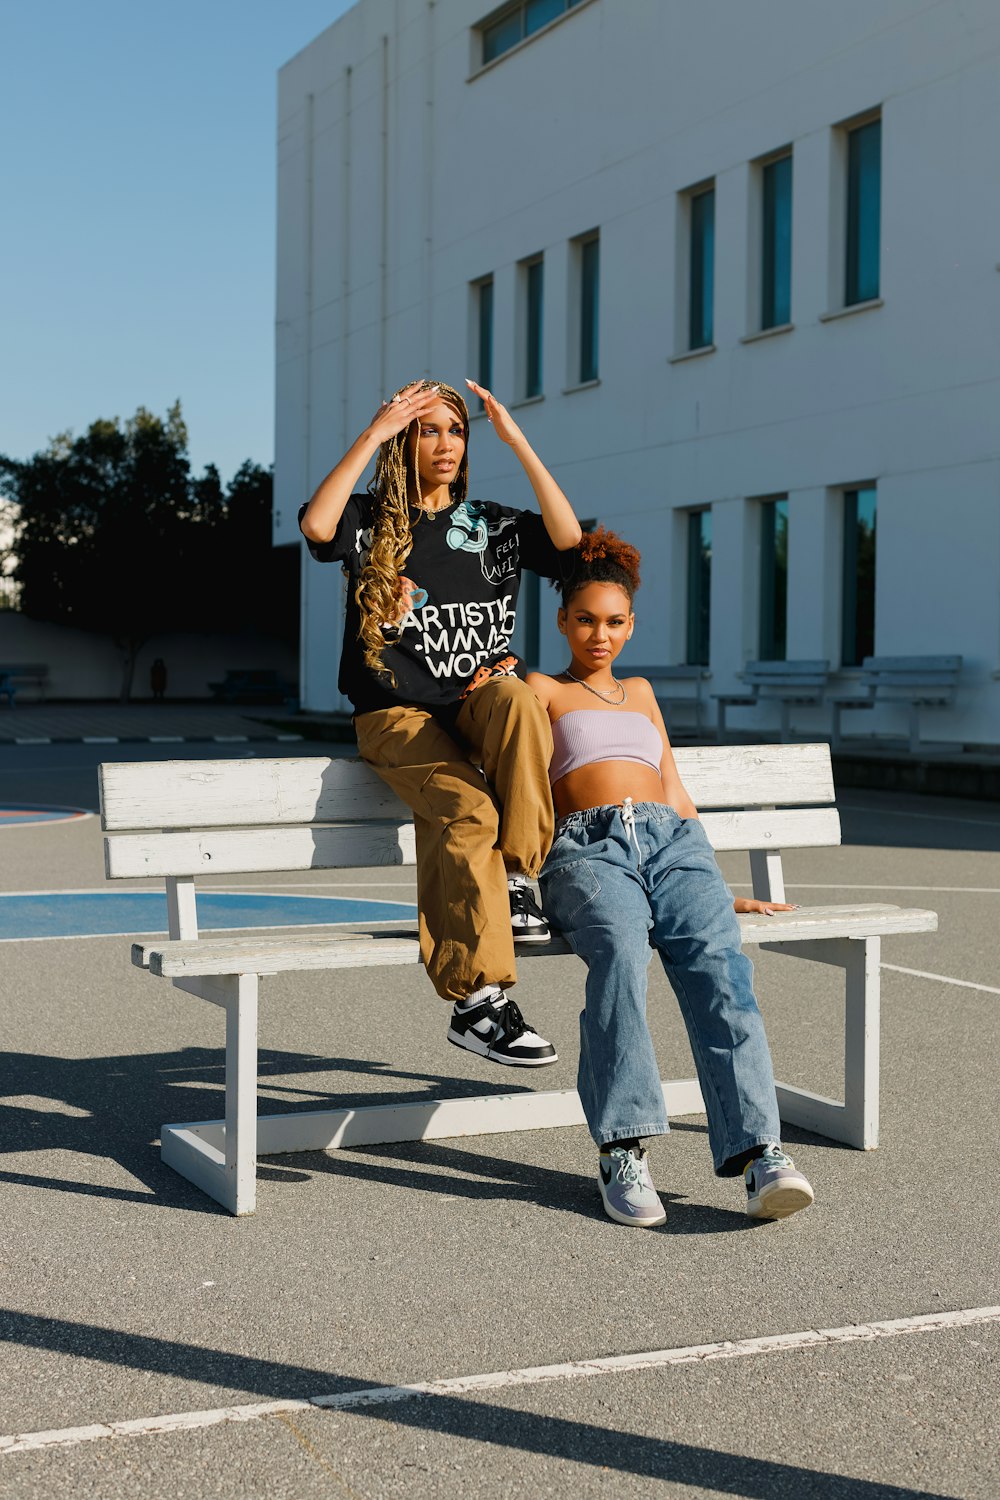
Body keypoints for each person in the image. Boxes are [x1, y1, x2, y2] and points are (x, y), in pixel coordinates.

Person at [528, 528, 815, 1225]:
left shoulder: (644, 692)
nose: (601, 634)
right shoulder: (539, 689)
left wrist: (712, 884)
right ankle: (622, 1149)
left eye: (615, 622)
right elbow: (525, 787)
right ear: (562, 620)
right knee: (622, 957)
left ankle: (760, 1154)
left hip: (673, 842)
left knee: (720, 965)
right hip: (589, 848)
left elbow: (676, 791)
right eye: (587, 620)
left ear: (632, 624)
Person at [299, 378, 582, 1066]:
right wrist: (372, 431)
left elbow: (572, 544)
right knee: (466, 811)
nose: (446, 444)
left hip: (475, 703)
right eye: (428, 430)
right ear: (404, 441)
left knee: (519, 695)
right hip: (395, 715)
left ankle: (518, 883)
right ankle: (477, 1004)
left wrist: (516, 440)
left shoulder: (492, 523)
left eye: (456, 431)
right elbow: (316, 526)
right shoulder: (371, 519)